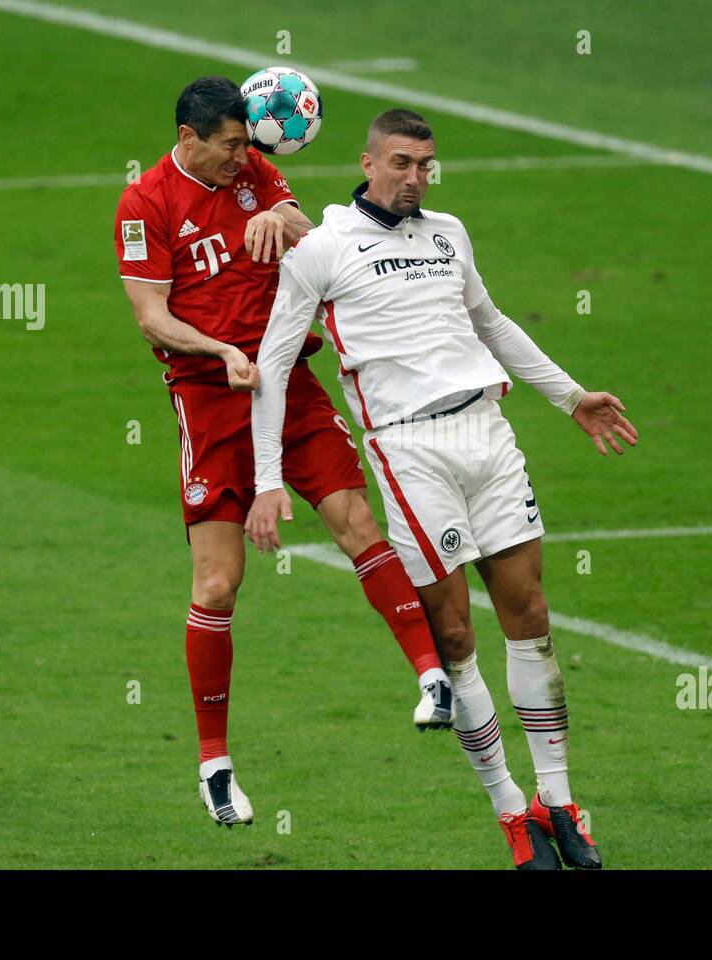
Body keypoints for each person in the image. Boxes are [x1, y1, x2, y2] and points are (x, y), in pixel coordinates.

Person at [247, 109, 639, 869]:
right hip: (408, 448)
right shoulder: (322, 251)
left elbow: (490, 323)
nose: (416, 177)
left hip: (488, 432)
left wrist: (571, 396)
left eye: (426, 164)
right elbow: (272, 366)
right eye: (401, 162)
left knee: (530, 614)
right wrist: (268, 482)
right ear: (367, 163)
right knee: (455, 637)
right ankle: (509, 810)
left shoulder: (449, 232)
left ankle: (560, 804)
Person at [115, 79, 454, 829]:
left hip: (289, 385)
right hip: (209, 401)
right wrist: (222, 353)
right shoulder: (144, 203)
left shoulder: (254, 175)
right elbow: (150, 317)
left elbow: (306, 225)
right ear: (188, 136)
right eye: (233, 145)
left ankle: (435, 681)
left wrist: (279, 212)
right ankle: (214, 764)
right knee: (217, 586)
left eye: (251, 143)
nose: (248, 156)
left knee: (356, 519)